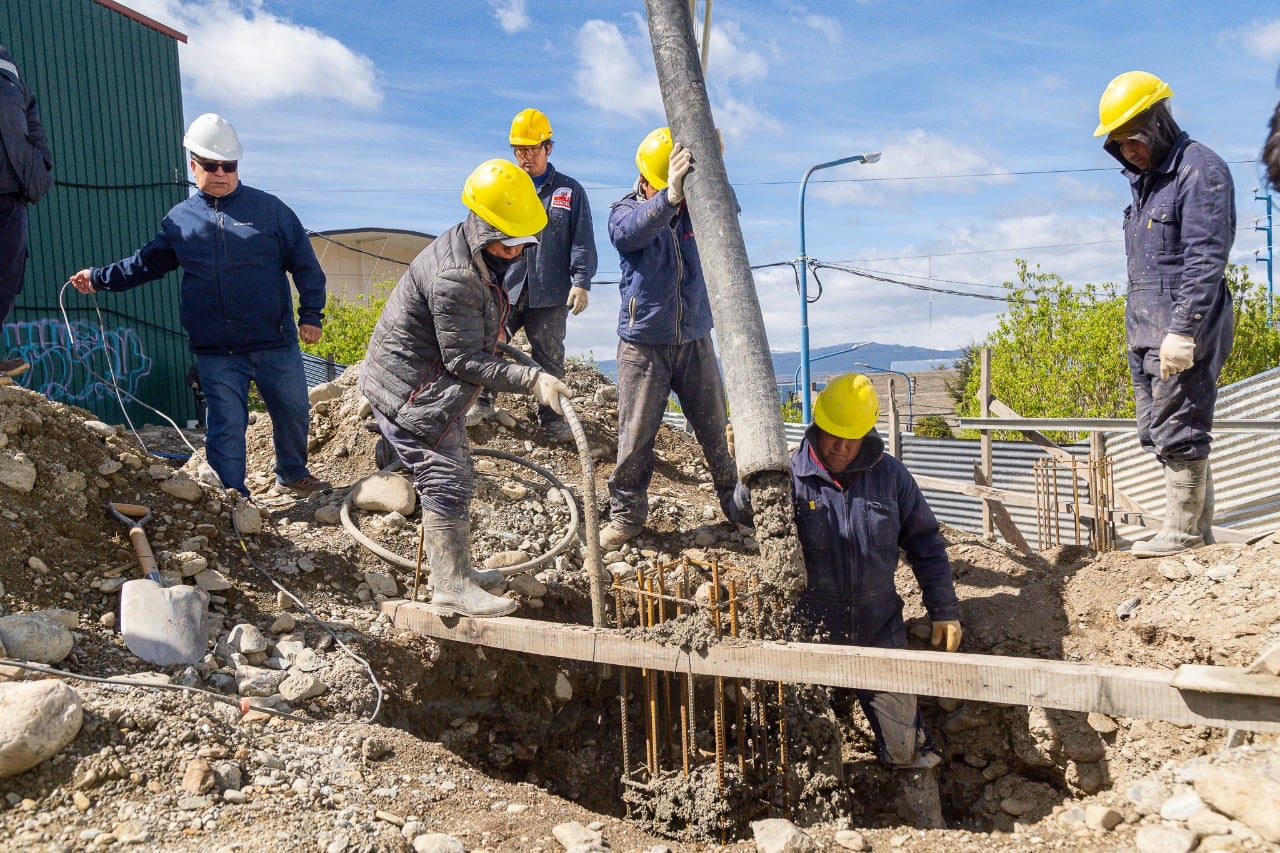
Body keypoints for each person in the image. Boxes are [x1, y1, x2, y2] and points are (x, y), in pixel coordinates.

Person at [730, 373, 962, 828]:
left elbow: (927, 544)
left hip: (879, 631)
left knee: (907, 747)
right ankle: (823, 827)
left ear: (867, 435)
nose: (839, 447)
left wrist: (945, 609)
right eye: (832, 435)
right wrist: (748, 469)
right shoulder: (787, 473)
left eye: (851, 439)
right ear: (816, 425)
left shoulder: (890, 476)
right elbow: (740, 512)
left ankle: (926, 834)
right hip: (809, 634)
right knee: (808, 747)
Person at [70, 113, 329, 500]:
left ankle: (291, 473)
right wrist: (98, 277)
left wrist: (311, 314)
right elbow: (144, 264)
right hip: (217, 352)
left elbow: (305, 264)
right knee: (225, 426)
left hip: (274, 343)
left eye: (230, 165)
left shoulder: (271, 211)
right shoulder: (180, 221)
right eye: (212, 165)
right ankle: (232, 497)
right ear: (194, 164)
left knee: (293, 413)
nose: (222, 172)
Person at [358, 159, 572, 619]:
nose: (518, 252)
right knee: (446, 478)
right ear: (486, 228)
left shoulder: (474, 250)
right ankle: (451, 586)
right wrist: (532, 379)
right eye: (512, 242)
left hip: (423, 380)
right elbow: (462, 361)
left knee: (456, 471)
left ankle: (459, 573)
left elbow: (469, 333)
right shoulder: (455, 274)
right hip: (411, 390)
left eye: (524, 242)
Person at [1094, 71, 1235, 557]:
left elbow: (1206, 257)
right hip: (1145, 328)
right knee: (1155, 429)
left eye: (1133, 141)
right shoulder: (1147, 186)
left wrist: (1184, 329)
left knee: (1181, 425)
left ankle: (1182, 532)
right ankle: (1201, 533)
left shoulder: (1199, 170)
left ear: (1156, 122)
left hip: (1182, 327)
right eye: (1119, 146)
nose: (1129, 152)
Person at [599, 127, 738, 550]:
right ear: (646, 181)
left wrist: (713, 167)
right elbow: (629, 234)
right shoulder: (625, 210)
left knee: (715, 429)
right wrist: (669, 197)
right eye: (663, 182)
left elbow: (728, 212)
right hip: (644, 345)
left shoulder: (696, 211)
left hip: (694, 338)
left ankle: (738, 508)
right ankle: (626, 516)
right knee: (636, 435)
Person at [467, 109, 596, 442]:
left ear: (548, 148)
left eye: (532, 149)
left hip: (550, 290)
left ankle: (552, 421)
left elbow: (582, 241)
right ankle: (480, 402)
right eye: (519, 150)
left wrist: (581, 281)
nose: (525, 157)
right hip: (505, 286)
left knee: (549, 357)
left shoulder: (569, 191)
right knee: (489, 343)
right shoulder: (505, 187)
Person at [0, 43, 54, 377]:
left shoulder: (6, 60)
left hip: (13, 188)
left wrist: (40, 162)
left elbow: (31, 113)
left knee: (7, 276)